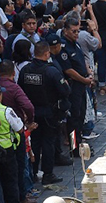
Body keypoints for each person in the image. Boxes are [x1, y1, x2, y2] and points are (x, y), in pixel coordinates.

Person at [19, 42, 71, 185]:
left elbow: (20, 91)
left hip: (32, 113)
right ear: (47, 54)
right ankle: (48, 173)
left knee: (34, 142)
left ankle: (34, 172)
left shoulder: (25, 70)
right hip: (49, 113)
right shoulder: (51, 71)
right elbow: (65, 91)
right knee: (48, 142)